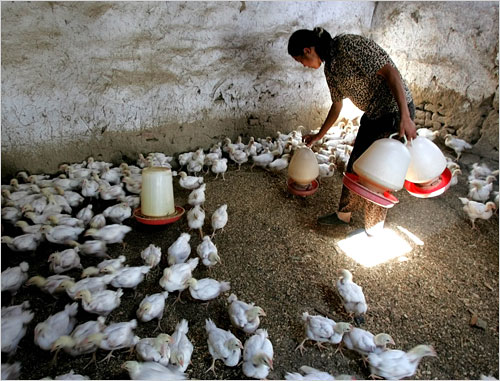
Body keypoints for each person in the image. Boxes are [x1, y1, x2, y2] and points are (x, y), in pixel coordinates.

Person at [288, 27, 417, 236]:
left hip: (395, 110)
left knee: (378, 174)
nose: (303, 65)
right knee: (356, 164)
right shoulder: (330, 69)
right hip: (374, 113)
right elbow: (336, 106)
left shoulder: (348, 46)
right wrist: (318, 136)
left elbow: (391, 73)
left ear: (308, 50)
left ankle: (373, 229)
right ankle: (343, 216)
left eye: (300, 60)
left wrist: (405, 116)